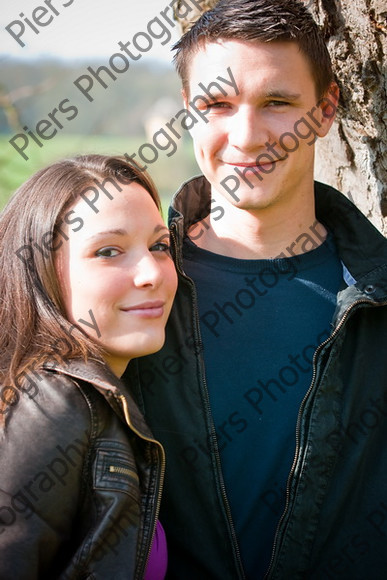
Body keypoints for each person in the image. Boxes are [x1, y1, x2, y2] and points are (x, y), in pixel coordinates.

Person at [129, 0, 387, 578]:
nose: (246, 136)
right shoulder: (129, 297)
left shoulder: (377, 293)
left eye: (276, 103)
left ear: (325, 110)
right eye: (217, 104)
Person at [0, 154, 177, 579]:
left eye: (159, 245)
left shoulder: (97, 392)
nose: (151, 272)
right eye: (109, 251)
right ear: (41, 273)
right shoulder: (51, 405)